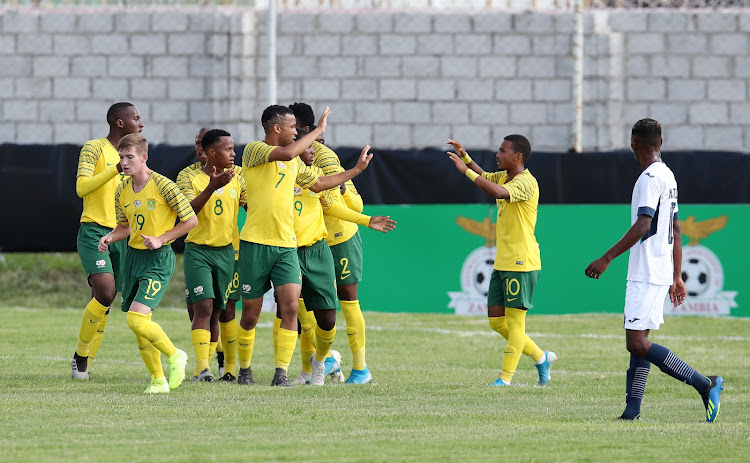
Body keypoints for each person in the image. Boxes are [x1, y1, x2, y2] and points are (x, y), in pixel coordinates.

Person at [585, 118, 724, 422]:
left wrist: (607, 257)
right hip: (659, 269)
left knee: (636, 342)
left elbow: (644, 224)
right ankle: (631, 411)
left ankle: (705, 384)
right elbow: (676, 227)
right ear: (661, 143)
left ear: (633, 144)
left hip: (646, 271)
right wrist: (676, 275)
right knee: (640, 340)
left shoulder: (649, 178)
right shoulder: (669, 176)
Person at [237, 105, 373, 387]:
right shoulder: (254, 150)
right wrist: (319, 131)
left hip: (288, 245)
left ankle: (282, 374)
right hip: (255, 243)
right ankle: (244, 370)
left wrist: (356, 170)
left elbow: (320, 184)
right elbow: (286, 152)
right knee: (249, 315)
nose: (296, 133)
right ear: (276, 129)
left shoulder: (296, 163)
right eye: (292, 128)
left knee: (290, 308)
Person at [288, 129, 396, 385]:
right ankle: (316, 365)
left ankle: (360, 369)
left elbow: (351, 205)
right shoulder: (284, 160)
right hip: (308, 242)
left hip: (339, 239)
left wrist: (363, 213)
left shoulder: (323, 159)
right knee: (298, 304)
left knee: (347, 300)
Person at [447, 136, 556, 386]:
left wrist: (465, 172)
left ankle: (504, 380)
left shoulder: (526, 182)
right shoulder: (504, 175)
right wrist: (465, 157)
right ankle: (541, 357)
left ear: (517, 157)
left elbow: (497, 192)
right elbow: (485, 176)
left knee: (516, 322)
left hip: (522, 261)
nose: (498, 154)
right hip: (503, 261)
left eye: (502, 150)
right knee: (496, 320)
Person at [98, 134, 197, 393]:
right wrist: (110, 236)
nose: (124, 162)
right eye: (121, 157)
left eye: (130, 157)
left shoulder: (164, 185)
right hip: (134, 259)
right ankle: (158, 380)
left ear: (144, 157)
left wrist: (162, 238)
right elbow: (125, 226)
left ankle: (176, 355)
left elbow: (190, 221)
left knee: (136, 320)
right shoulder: (122, 189)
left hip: (158, 260)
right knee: (140, 325)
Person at [71, 102, 144, 379]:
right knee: (105, 293)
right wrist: (115, 168)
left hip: (122, 234)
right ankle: (80, 356)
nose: (141, 123)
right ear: (120, 122)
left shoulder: (135, 158)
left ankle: (86, 361)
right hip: (94, 231)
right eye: (136, 118)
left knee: (105, 301)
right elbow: (81, 188)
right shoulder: (94, 147)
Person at [176, 129, 245, 382]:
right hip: (198, 251)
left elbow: (251, 204)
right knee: (202, 307)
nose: (233, 153)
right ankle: (201, 368)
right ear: (211, 153)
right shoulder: (189, 177)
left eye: (233, 148)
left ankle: (226, 369)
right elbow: (185, 211)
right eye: (228, 149)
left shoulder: (238, 177)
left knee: (220, 310)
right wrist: (212, 187)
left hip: (228, 252)